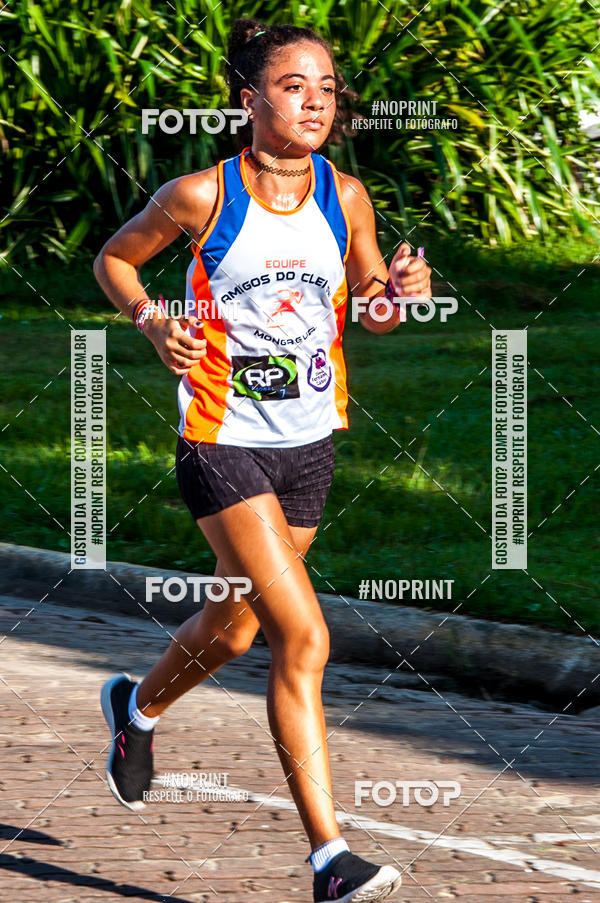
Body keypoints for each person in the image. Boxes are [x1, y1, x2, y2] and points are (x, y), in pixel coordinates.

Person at [94, 18, 431, 903]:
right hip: (222, 441)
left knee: (236, 627)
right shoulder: (199, 195)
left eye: (325, 87)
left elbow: (371, 307)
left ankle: (138, 709)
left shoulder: (344, 194)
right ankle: (331, 860)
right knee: (304, 637)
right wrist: (151, 319)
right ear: (250, 101)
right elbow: (116, 259)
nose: (314, 101)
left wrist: (398, 295)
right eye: (293, 85)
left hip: (309, 446)